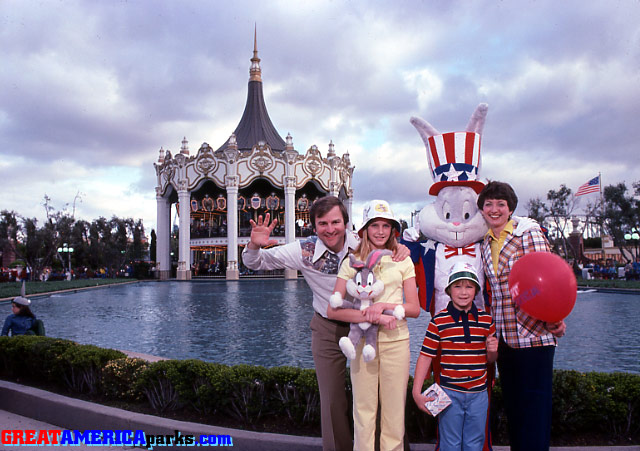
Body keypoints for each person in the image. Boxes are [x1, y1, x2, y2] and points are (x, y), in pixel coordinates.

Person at [242, 195, 409, 451]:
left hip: (369, 326)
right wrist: (254, 245)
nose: (330, 229)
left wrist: (402, 248)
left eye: (335, 222)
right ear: (314, 226)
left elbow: (396, 254)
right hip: (327, 327)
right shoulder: (303, 250)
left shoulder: (362, 243)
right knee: (332, 400)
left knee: (381, 396)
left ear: (346, 222)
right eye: (323, 223)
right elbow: (255, 263)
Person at [477, 181, 566, 450]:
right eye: (489, 204)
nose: (494, 209)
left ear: (510, 208)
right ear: (482, 209)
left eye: (500, 204)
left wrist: (556, 318)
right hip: (505, 338)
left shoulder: (528, 234)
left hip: (534, 335)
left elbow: (549, 277)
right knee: (515, 408)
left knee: (534, 412)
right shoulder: (485, 242)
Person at [327, 200, 420, 451]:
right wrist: (373, 317)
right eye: (375, 225)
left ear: (393, 229)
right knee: (363, 411)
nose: (380, 231)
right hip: (362, 346)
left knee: (393, 413)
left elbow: (414, 308)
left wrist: (384, 308)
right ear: (365, 229)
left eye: (386, 226)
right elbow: (332, 309)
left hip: (396, 343)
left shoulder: (403, 260)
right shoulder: (351, 261)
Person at [412, 262, 498, 451]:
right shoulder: (438, 321)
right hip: (449, 394)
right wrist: (416, 392)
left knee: (474, 444)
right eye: (458, 286)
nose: (463, 292)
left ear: (476, 290)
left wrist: (492, 351)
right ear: (449, 290)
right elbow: (425, 356)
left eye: (469, 286)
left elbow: (490, 360)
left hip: (478, 395)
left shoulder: (487, 321)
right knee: (449, 445)